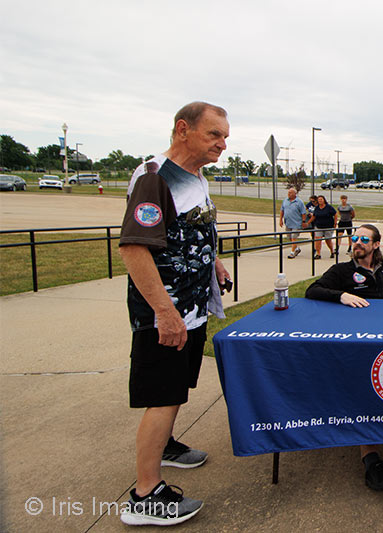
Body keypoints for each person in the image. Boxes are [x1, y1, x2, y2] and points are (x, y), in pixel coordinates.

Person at [118, 101, 231, 526]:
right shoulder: (154, 178)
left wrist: (214, 262)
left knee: (176, 389)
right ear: (183, 130)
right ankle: (145, 495)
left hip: (193, 309)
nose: (222, 144)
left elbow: (194, 229)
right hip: (166, 314)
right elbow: (134, 248)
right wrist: (165, 313)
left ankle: (163, 446)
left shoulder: (197, 178)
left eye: (224, 137)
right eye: (213, 135)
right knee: (162, 395)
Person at [305, 224, 383, 490]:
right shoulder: (342, 271)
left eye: (364, 239)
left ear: (376, 244)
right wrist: (342, 295)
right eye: (354, 238)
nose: (357, 242)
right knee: (367, 388)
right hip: (357, 344)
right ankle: (371, 459)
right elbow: (312, 290)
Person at [279, 187, 307, 259]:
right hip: (288, 222)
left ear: (295, 194)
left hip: (297, 223)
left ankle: (292, 253)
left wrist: (303, 221)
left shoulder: (299, 202)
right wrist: (280, 220)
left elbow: (303, 213)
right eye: (288, 192)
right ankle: (297, 248)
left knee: (294, 237)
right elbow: (282, 210)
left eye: (291, 193)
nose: (289, 194)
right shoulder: (285, 201)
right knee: (289, 238)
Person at [308, 195, 337, 259]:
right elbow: (314, 216)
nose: (320, 201)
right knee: (318, 239)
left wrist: (335, 223)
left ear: (324, 200)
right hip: (319, 226)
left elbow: (335, 214)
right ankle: (318, 254)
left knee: (328, 240)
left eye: (321, 199)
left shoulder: (329, 207)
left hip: (328, 226)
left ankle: (332, 251)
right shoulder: (317, 208)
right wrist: (308, 223)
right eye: (319, 200)